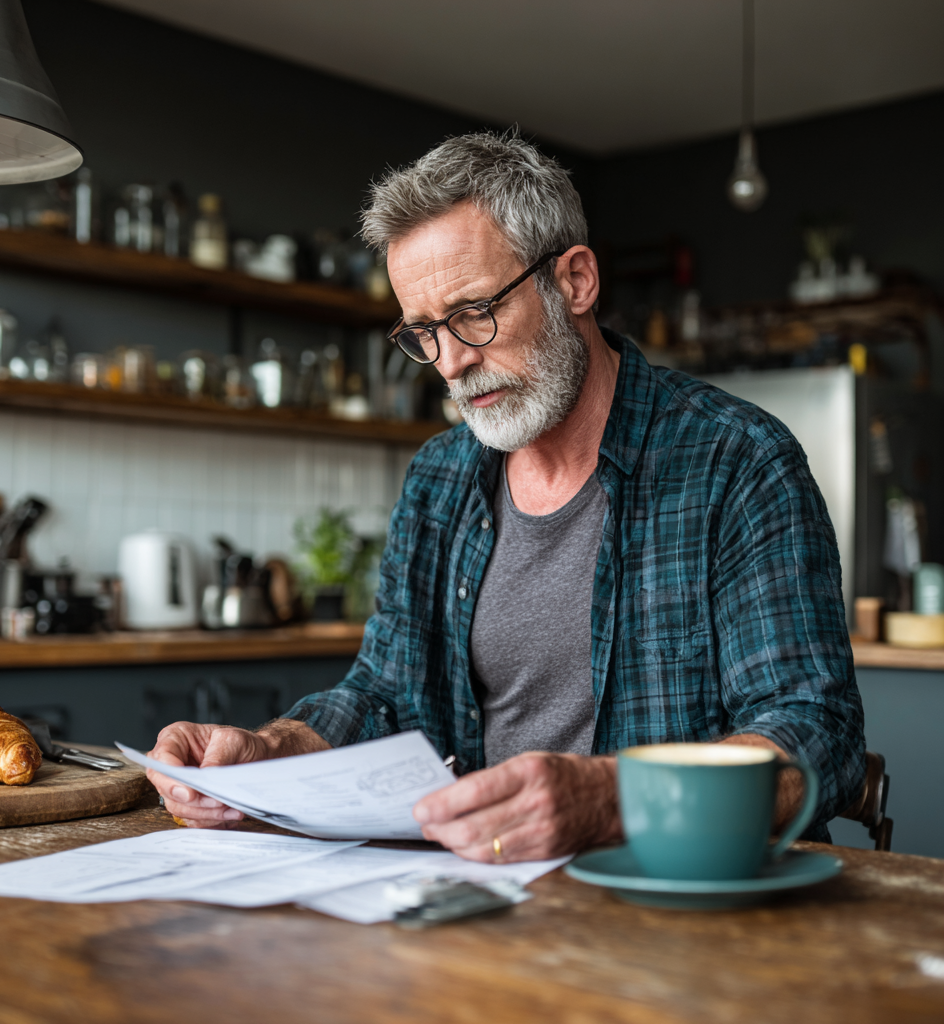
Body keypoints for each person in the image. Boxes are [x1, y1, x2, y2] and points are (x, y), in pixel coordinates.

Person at [149, 131, 865, 862]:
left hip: (682, 906)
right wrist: (269, 752)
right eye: (424, 332)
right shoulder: (439, 478)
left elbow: (814, 733)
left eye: (473, 313)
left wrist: (607, 802)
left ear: (575, 281)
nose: (453, 361)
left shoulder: (737, 460)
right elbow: (383, 694)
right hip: (482, 902)